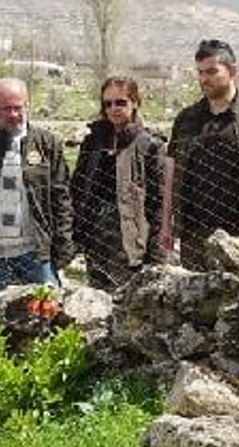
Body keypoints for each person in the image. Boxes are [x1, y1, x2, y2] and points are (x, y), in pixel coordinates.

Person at [162, 39, 239, 270]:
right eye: (200, 72)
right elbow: (170, 175)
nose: (203, 79)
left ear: (232, 71)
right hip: (195, 232)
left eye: (211, 71)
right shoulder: (186, 119)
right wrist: (166, 225)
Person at [0, 77, 74, 298]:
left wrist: (64, 245)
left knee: (47, 313)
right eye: (5, 108)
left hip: (37, 252)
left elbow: (62, 198)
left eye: (18, 107)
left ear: (27, 105)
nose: (13, 114)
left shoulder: (48, 144)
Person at [71, 76, 168, 289]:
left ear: (135, 103)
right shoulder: (93, 142)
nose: (114, 108)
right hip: (95, 235)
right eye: (108, 103)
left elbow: (159, 202)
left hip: (131, 239)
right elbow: (77, 189)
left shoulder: (150, 145)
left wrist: (157, 252)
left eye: (121, 102)